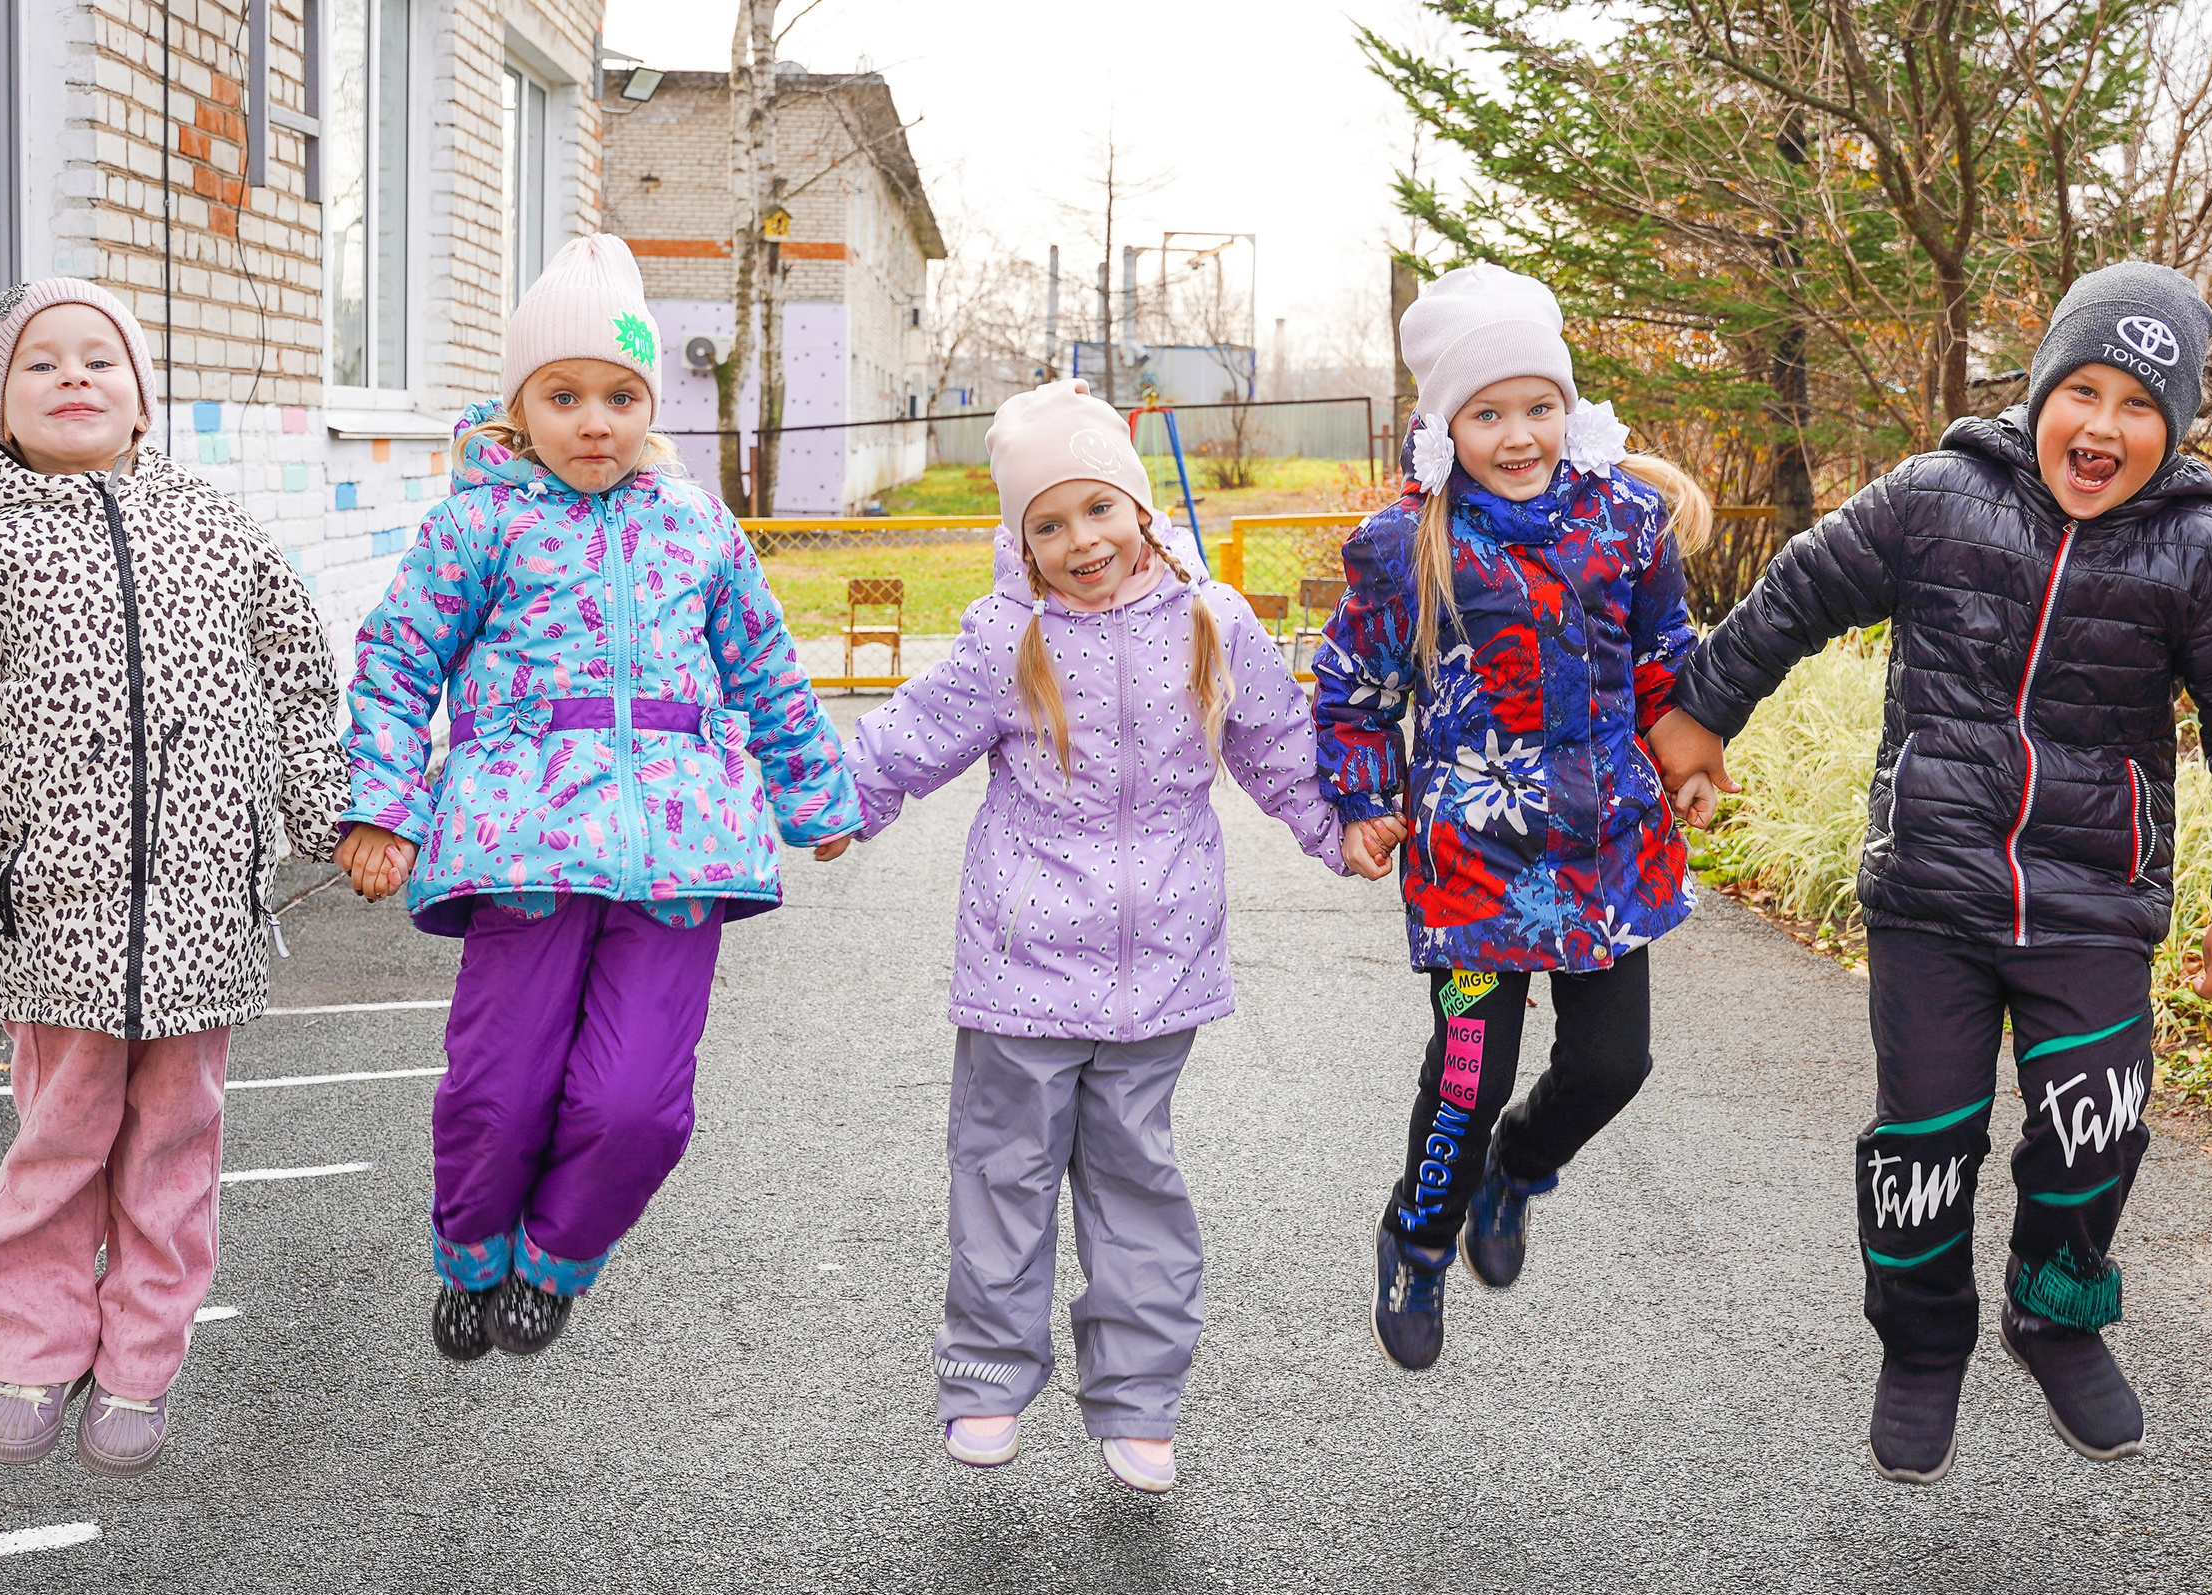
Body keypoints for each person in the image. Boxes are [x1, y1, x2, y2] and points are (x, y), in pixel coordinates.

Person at [1648, 260, 2212, 1483]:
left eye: (2137, 407)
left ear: (2173, 431)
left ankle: (2054, 1312)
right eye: (2084, 392)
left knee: (2096, 1129)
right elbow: (1798, 592)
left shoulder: (2203, 556)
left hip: (2090, 903)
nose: (2102, 426)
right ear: (2043, 388)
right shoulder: (1936, 495)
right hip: (1932, 895)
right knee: (1926, 1139)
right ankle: (1920, 1343)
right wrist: (1700, 712)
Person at [339, 236, 858, 1362]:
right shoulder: (481, 524)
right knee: (501, 1089)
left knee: (638, 1109)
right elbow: (397, 661)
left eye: (621, 396)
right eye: (564, 395)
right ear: (519, 406)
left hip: (681, 856)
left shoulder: (696, 526)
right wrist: (381, 803)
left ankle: (557, 1261)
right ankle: (472, 1254)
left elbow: (763, 663)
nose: (595, 422)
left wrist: (813, 788)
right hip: (521, 851)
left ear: (649, 404)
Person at [0, 279, 347, 1476]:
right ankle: (33, 1353)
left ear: (143, 399)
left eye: (101, 360)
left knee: (175, 1149)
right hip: (62, 919)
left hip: (204, 913)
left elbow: (298, 673)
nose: (74, 378)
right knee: (59, 1143)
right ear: (2, 409)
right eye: (42, 366)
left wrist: (331, 812)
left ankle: (139, 1365)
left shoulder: (217, 530)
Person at [842, 379, 1350, 1494]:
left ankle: (1138, 1401)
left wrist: (1337, 831)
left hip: (1158, 969)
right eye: (1049, 523)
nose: (1081, 542)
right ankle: (985, 1379)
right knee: (1002, 1174)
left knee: (1136, 1183)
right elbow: (905, 740)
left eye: (1099, 511)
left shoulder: (1215, 622)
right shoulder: (1003, 639)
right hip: (1020, 970)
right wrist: (838, 808)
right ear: (1019, 539)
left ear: (1141, 508)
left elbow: (1278, 748)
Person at [1311, 262, 1714, 1373]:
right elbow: (1351, 688)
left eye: (1538, 406)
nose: (1518, 433)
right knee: (1466, 1077)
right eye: (1487, 414)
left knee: (1610, 1066)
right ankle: (1417, 1236)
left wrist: (1689, 754)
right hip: (1472, 871)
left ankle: (1519, 1172)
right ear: (1446, 426)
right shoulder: (1407, 546)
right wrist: (1357, 803)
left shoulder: (1628, 521)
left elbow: (1663, 660)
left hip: (1606, 858)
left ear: (1568, 408)